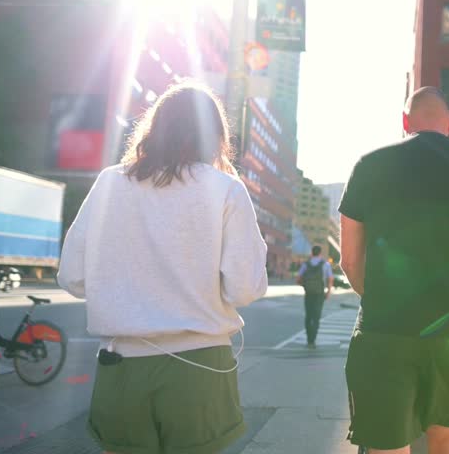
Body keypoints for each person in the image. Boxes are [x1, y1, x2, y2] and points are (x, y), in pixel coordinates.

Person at [57, 81, 268, 454]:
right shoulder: (226, 189)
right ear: (216, 136)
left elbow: (72, 276)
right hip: (200, 366)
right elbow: (245, 288)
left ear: (153, 129)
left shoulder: (109, 183)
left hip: (122, 365)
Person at [339, 86, 449, 454]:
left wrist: (382, 300)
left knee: (387, 446)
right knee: (448, 440)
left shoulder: (369, 166)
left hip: (383, 333)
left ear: (405, 122)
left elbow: (350, 261)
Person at [296, 245, 334, 349]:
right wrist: (328, 291)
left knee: (308, 316)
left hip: (309, 293)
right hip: (319, 294)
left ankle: (309, 340)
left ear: (312, 253)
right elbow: (330, 279)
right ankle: (313, 340)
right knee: (316, 317)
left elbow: (298, 279)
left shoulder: (306, 264)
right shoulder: (325, 264)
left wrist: (305, 285)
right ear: (320, 253)